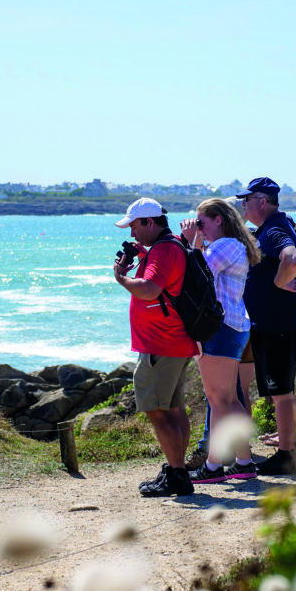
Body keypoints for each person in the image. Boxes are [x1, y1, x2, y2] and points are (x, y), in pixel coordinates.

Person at [114, 197, 198, 497]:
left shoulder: (164, 250)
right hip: (174, 341)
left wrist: (122, 278)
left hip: (161, 344)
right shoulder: (172, 245)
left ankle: (177, 475)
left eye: (135, 226)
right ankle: (177, 469)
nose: (133, 233)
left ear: (150, 222)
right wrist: (142, 257)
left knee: (156, 410)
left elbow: (150, 289)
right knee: (174, 409)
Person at [178, 198, 262, 483]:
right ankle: (244, 461)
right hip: (232, 326)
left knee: (218, 399)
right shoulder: (233, 246)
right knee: (228, 399)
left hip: (221, 327)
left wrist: (191, 243)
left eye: (201, 222)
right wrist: (197, 244)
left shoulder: (226, 245)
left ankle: (213, 466)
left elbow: (198, 274)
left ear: (219, 220)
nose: (198, 227)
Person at [236, 177, 296, 475]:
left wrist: (280, 282)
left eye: (247, 200)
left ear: (261, 201)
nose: (243, 205)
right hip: (272, 323)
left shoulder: (275, 228)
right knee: (281, 391)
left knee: (282, 393)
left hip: (277, 323)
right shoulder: (269, 228)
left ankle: (287, 455)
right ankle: (286, 452)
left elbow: (291, 258)